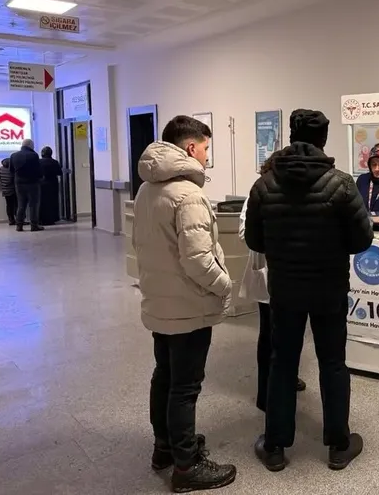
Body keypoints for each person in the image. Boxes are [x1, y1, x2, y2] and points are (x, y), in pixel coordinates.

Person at [245, 109, 373, 472]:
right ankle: (339, 445)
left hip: (285, 290)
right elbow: (362, 239)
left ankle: (274, 447)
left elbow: (254, 240)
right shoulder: (341, 184)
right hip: (329, 288)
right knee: (333, 362)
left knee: (282, 362)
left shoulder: (264, 185)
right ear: (323, 140)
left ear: (291, 135)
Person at [132, 115, 237, 492]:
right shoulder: (189, 194)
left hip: (160, 301)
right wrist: (225, 285)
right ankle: (187, 466)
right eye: (206, 148)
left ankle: (165, 447)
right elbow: (197, 260)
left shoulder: (146, 190)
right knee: (185, 386)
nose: (207, 155)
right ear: (191, 148)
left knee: (164, 375)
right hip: (189, 306)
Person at [238, 150, 307, 413]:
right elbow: (245, 233)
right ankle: (265, 393)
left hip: (290, 275)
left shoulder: (289, 194)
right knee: (269, 333)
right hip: (269, 273)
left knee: (290, 333)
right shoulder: (257, 193)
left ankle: (288, 378)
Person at [10, 139, 42, 232]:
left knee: (21, 204)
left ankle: (19, 225)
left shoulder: (13, 155)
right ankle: (34, 225)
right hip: (32, 183)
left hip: (19, 183)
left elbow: (11, 171)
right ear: (30, 145)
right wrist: (40, 177)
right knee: (33, 205)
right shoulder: (34, 155)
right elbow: (38, 169)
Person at [39, 146, 62, 226]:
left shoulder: (39, 162)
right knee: (52, 202)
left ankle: (41, 219)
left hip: (41, 184)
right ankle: (51, 219)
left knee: (42, 202)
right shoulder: (54, 162)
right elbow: (59, 172)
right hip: (52, 184)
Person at [0, 158, 17, 226]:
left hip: (5, 190)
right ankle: (19, 220)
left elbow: (0, 178)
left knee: (9, 206)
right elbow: (13, 179)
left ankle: (11, 220)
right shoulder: (11, 169)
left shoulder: (1, 169)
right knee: (16, 205)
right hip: (12, 190)